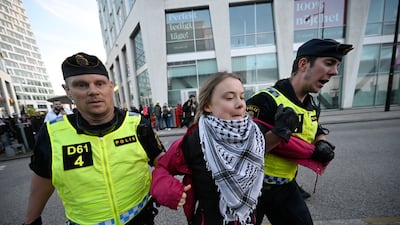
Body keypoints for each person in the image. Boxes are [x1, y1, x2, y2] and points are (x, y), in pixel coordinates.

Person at [23, 52, 165, 225]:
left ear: (110, 86)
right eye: (81, 85)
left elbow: (161, 160)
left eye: (99, 83)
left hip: (141, 219)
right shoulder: (52, 134)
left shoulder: (137, 124)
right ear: (68, 91)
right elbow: (43, 179)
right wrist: (31, 220)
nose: (93, 91)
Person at [246, 38, 353, 225]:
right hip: (252, 189)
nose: (335, 72)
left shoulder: (311, 105)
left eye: (337, 65)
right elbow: (245, 151)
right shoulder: (264, 99)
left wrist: (322, 142)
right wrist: (279, 132)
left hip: (285, 187)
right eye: (329, 63)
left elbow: (317, 129)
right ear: (303, 64)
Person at [151, 72, 265, 225]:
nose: (240, 104)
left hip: (248, 219)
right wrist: (169, 190)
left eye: (242, 97)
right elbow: (162, 169)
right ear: (208, 106)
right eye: (230, 97)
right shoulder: (195, 139)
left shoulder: (255, 134)